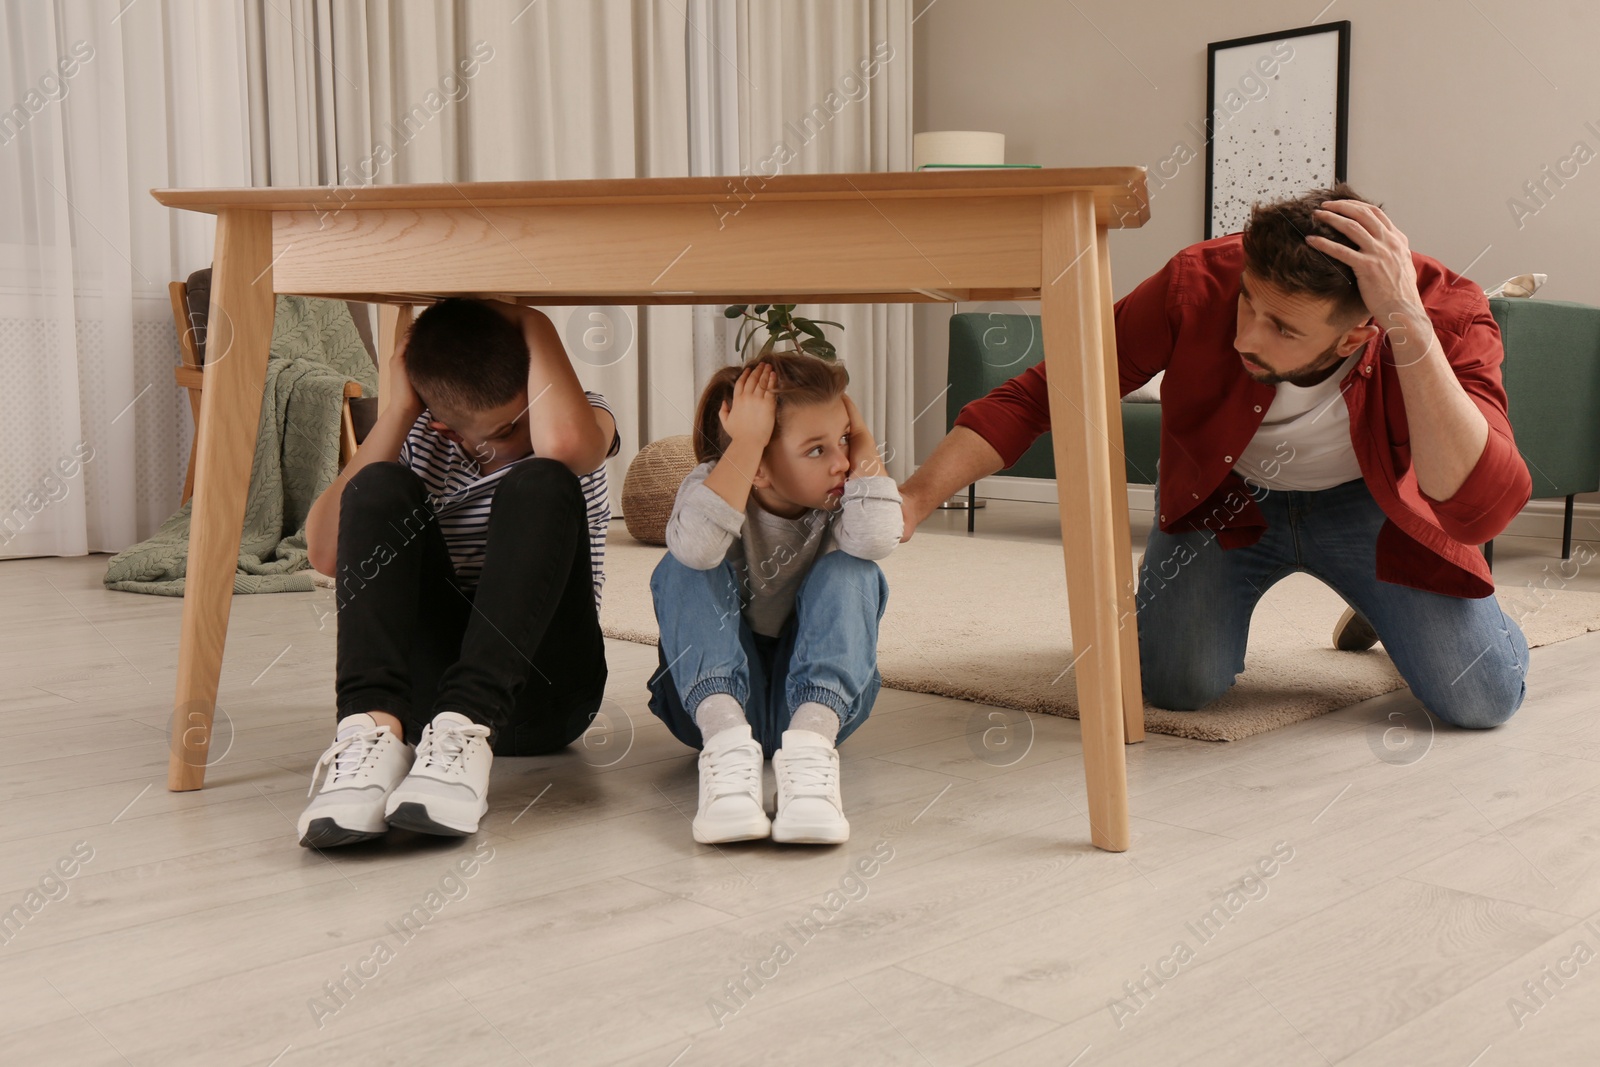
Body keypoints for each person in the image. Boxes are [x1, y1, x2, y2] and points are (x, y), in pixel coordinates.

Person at [899, 184, 1532, 729]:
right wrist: (916, 498)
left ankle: (1390, 605)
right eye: (1248, 302)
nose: (1244, 337)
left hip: (1375, 512)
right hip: (1228, 506)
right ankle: (1384, 606)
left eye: (1283, 329)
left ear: (1355, 335)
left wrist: (1407, 324)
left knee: (1482, 700)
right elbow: (1044, 393)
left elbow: (1479, 508)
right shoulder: (1197, 280)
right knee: (1176, 687)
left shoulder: (1445, 313)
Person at [296, 298, 620, 847]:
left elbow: (563, 446)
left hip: (546, 697)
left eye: (529, 412)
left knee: (542, 479)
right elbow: (326, 550)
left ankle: (468, 725)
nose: (528, 431)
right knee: (375, 488)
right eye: (507, 428)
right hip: (424, 710)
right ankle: (371, 735)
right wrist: (398, 412)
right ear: (448, 429)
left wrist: (531, 319)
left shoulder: (580, 417)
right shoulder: (423, 440)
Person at [648, 352, 901, 845]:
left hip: (815, 707)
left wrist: (864, 434)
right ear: (757, 466)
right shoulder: (710, 487)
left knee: (854, 566)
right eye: (816, 450)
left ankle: (808, 756)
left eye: (844, 441)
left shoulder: (849, 498)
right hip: (705, 706)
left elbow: (876, 538)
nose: (843, 463)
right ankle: (727, 751)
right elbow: (697, 548)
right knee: (683, 561)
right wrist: (747, 443)